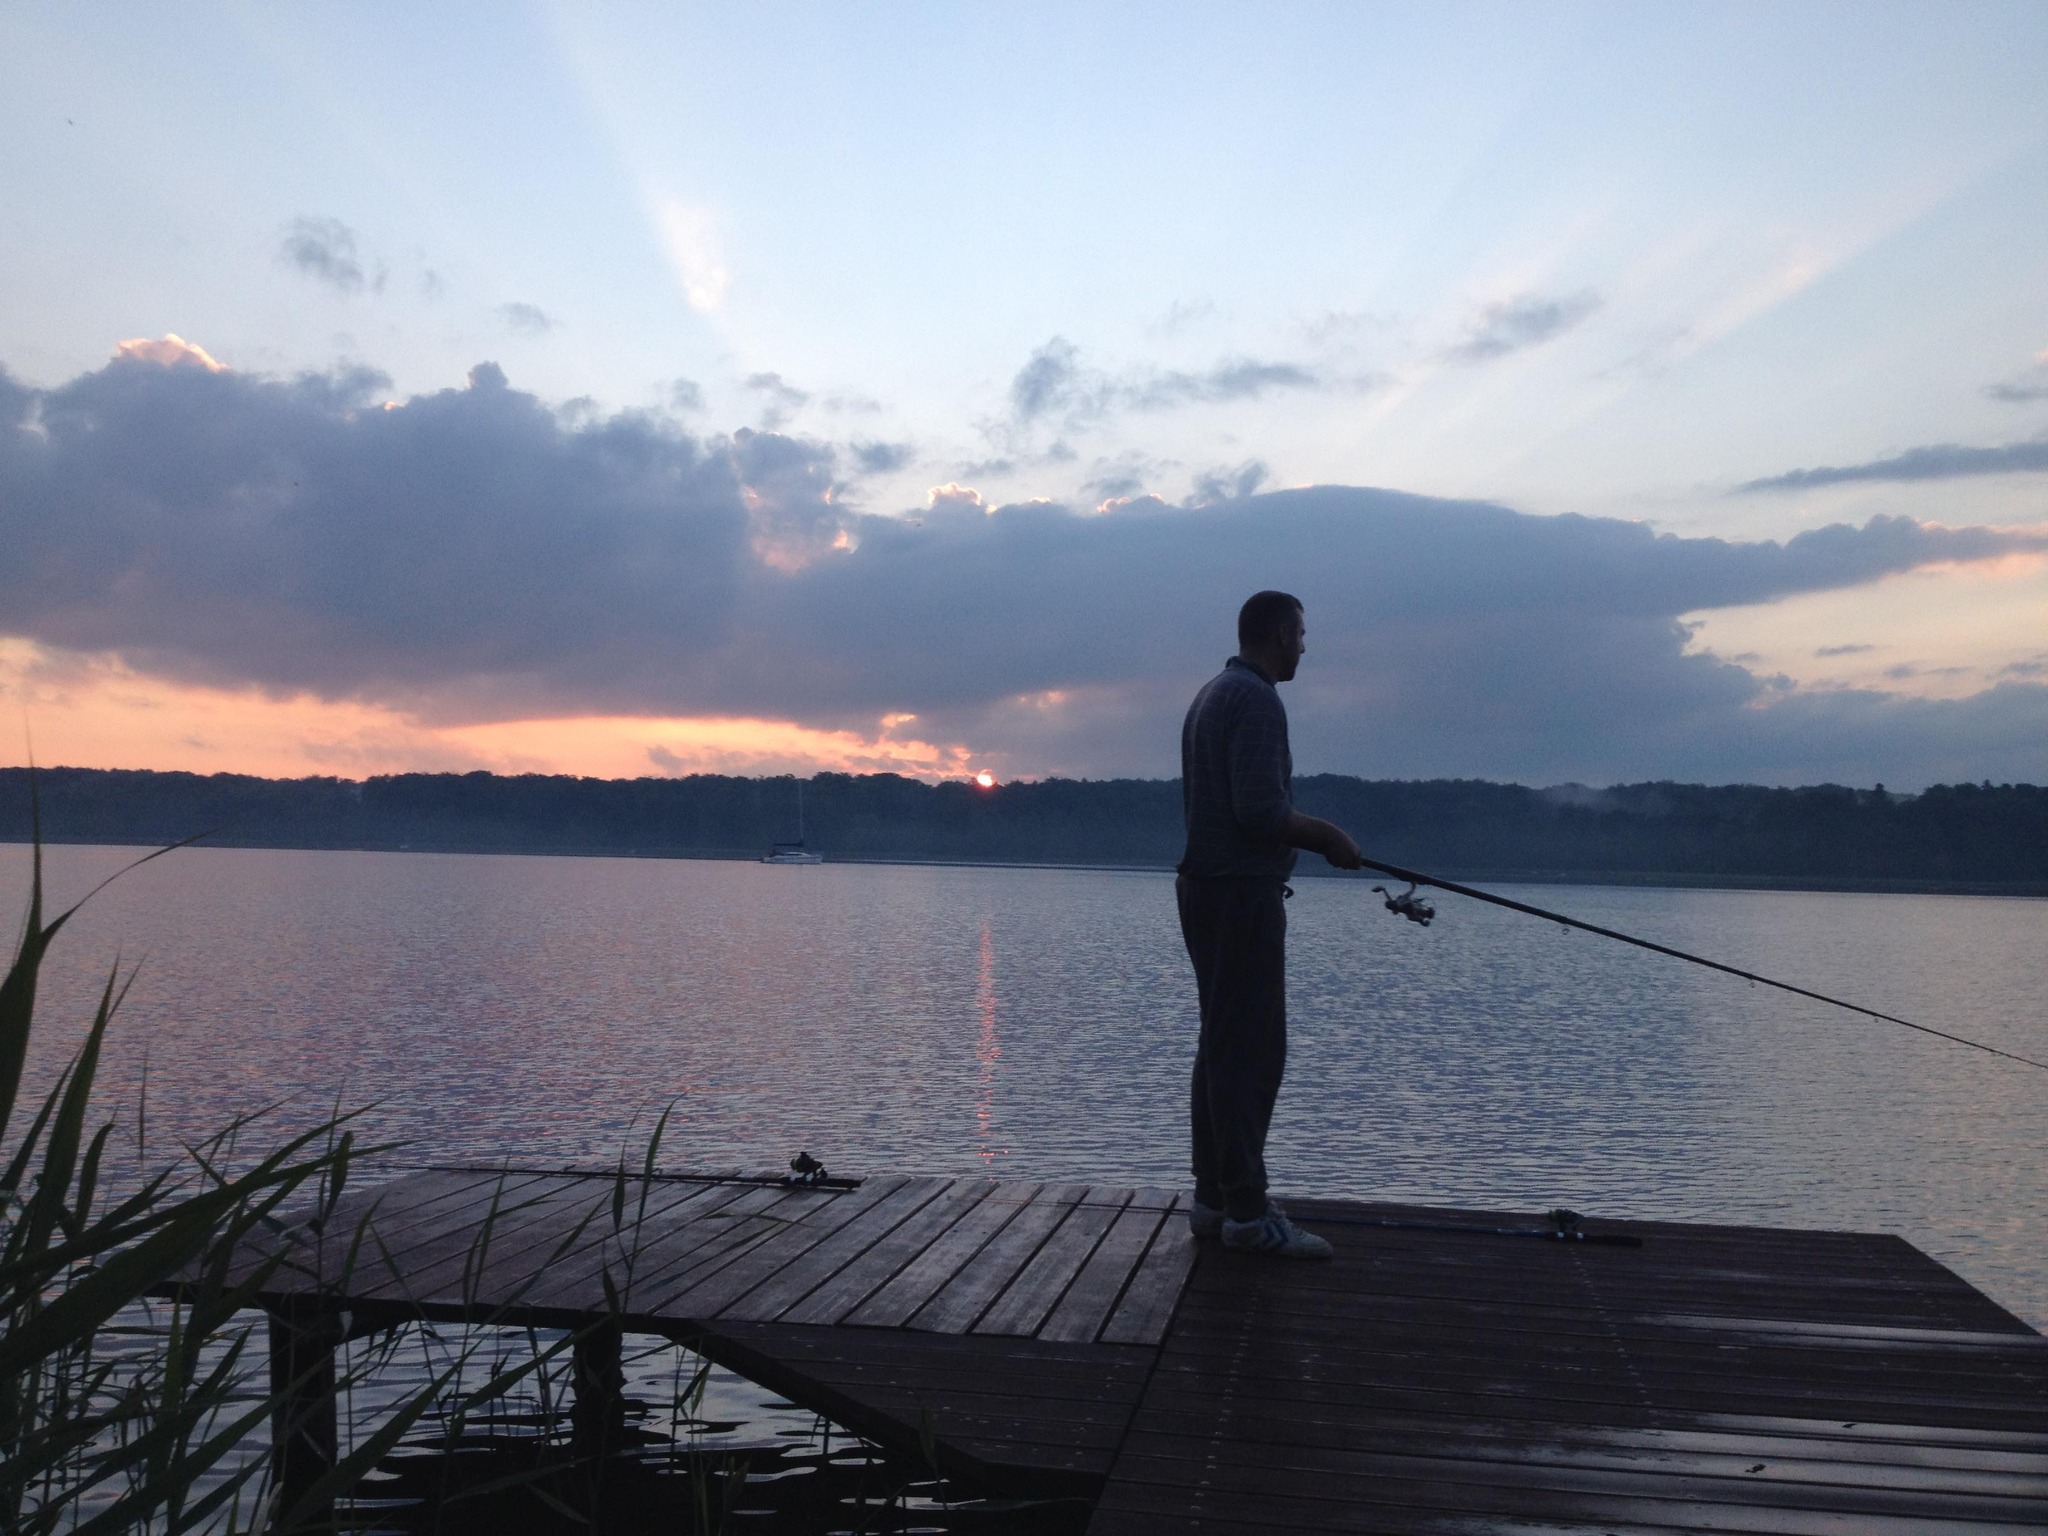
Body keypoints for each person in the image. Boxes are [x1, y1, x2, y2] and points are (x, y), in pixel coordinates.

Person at [1177, 590, 1362, 1259]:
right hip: (1239, 897)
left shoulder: (1212, 693)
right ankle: (1249, 1217)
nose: (1305, 646)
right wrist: (1330, 837)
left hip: (1206, 890)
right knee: (1250, 1054)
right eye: (1302, 634)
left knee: (1221, 1047)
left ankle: (1214, 1200)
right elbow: (1259, 810)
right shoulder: (1255, 699)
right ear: (1282, 633)